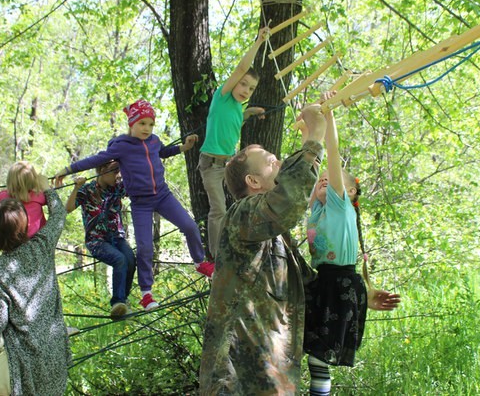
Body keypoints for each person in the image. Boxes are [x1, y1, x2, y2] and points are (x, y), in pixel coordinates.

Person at [199, 102, 327, 394]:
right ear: (253, 181)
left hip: (271, 377)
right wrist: (312, 143)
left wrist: (359, 293)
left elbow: (310, 287)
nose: (280, 163)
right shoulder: (241, 215)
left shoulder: (276, 237)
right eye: (271, 160)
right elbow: (287, 201)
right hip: (236, 381)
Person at [56, 99, 213, 311]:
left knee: (190, 226)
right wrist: (68, 169)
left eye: (150, 124)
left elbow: (163, 151)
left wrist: (184, 147)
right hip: (141, 203)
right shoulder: (121, 147)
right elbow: (94, 160)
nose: (147, 129)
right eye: (142, 124)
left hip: (163, 196)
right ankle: (146, 294)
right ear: (131, 124)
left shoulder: (154, 141)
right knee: (145, 248)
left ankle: (199, 263)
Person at [303, 91, 400, 396]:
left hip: (342, 286)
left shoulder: (339, 207)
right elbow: (310, 165)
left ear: (348, 195)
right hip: (325, 283)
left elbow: (331, 154)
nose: (324, 181)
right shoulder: (316, 208)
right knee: (313, 356)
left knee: (320, 354)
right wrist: (308, 131)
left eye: (333, 181)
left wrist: (329, 118)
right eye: (322, 179)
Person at [0, 188, 70, 396]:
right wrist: (46, 190)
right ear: (25, 226)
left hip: (22, 362)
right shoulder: (41, 247)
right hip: (55, 350)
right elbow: (59, 215)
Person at [199, 27, 269, 259]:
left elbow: (232, 126)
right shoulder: (222, 96)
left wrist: (249, 112)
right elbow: (241, 68)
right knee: (218, 209)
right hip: (211, 164)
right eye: (243, 84)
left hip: (228, 164)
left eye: (251, 88)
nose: (246, 90)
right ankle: (218, 256)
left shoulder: (237, 108)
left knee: (247, 198)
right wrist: (259, 41)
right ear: (234, 82)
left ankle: (244, 246)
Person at [65, 161, 136, 317]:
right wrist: (76, 187)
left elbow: (137, 186)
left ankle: (122, 302)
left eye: (119, 171)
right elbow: (68, 208)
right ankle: (118, 302)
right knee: (119, 259)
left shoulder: (117, 187)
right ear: (102, 170)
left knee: (130, 259)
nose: (118, 176)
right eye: (114, 171)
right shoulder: (87, 190)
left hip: (117, 237)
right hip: (96, 240)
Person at [0, 161, 49, 237]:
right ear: (33, 180)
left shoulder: (1, 198)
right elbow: (50, 199)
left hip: (12, 240)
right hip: (36, 241)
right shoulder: (38, 195)